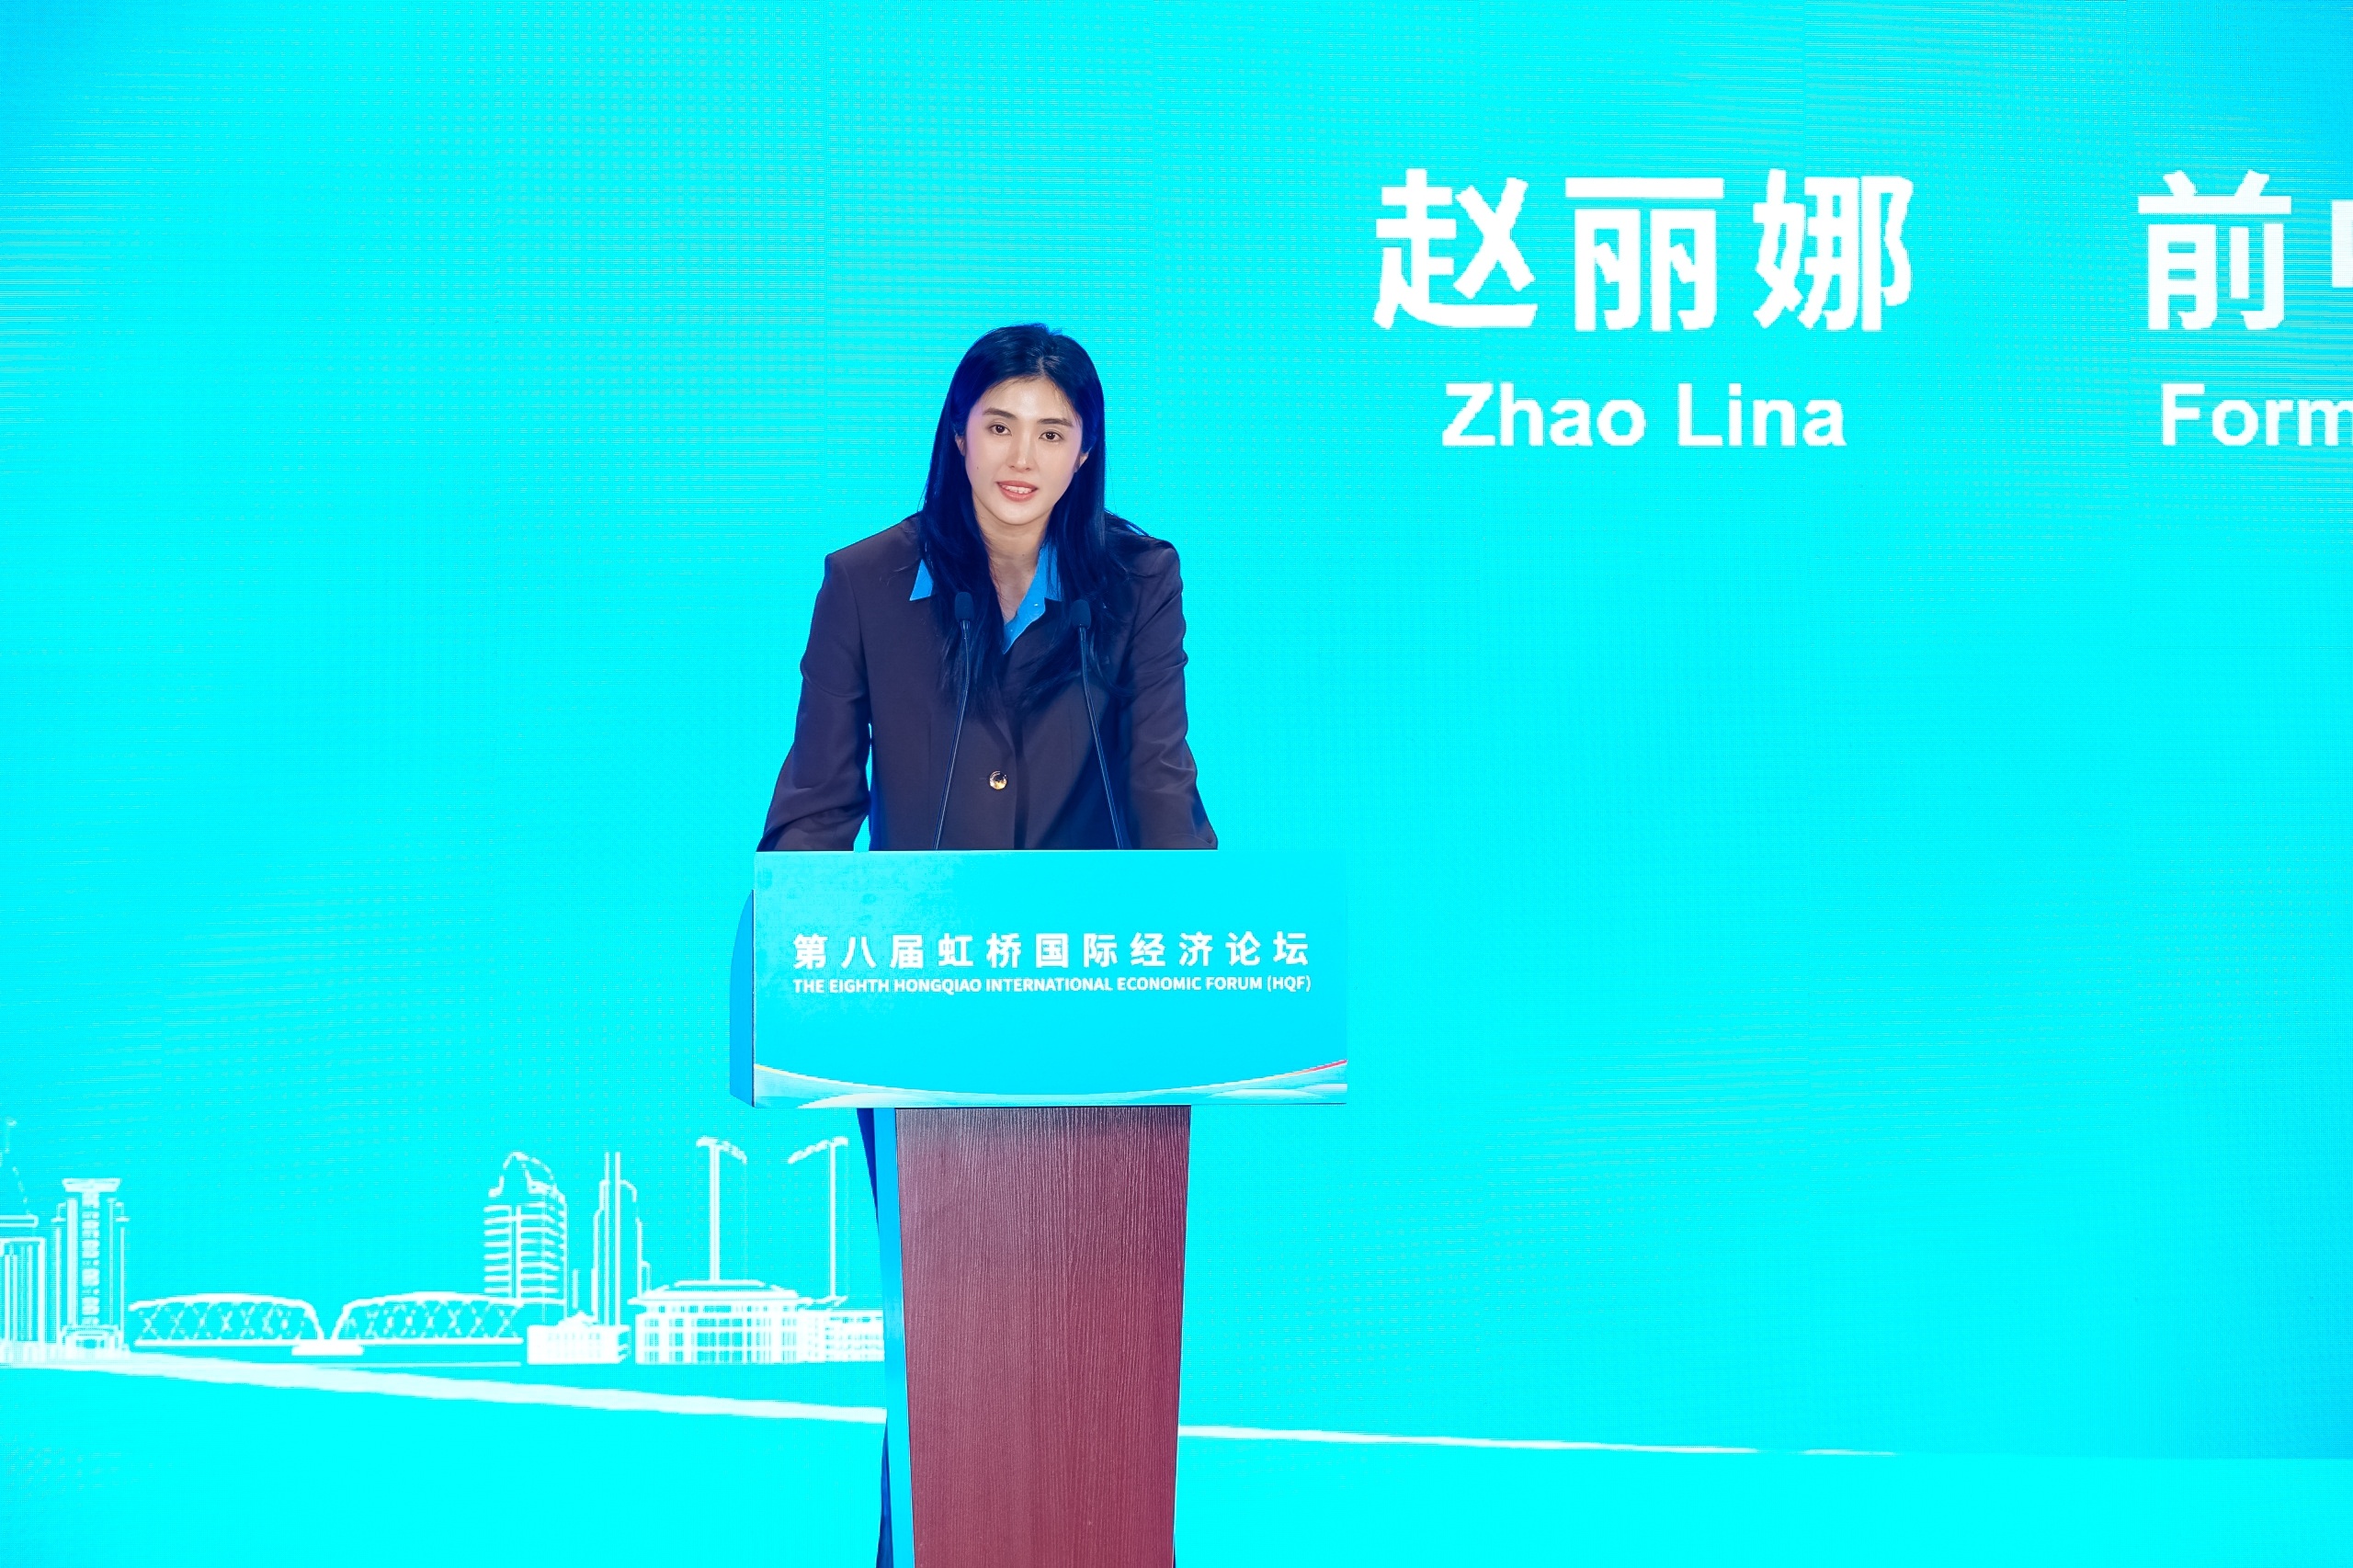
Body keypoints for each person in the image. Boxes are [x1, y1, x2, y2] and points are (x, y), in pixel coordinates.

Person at [758, 324, 1212, 1566]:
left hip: (1098, 1023)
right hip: (915, 1024)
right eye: (1000, 426)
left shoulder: (1137, 579)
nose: (1023, 456)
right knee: (953, 1347)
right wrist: (803, 959)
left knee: (1091, 1349)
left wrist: (1208, 951)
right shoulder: (868, 582)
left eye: (1053, 434)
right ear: (957, 434)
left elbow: (1160, 784)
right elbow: (815, 809)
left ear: (1086, 454)